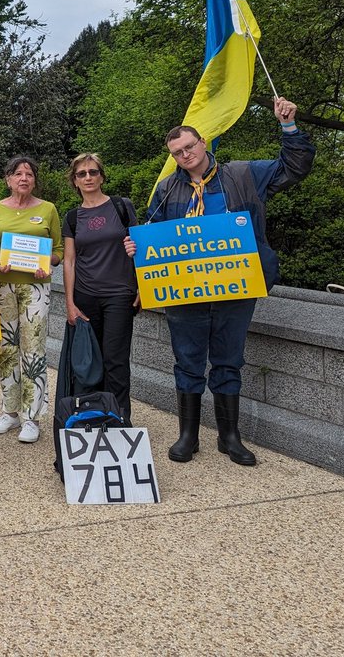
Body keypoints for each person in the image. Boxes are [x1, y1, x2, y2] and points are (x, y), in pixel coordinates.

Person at [133, 97, 315, 466]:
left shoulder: (244, 174)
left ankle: (230, 436)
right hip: (185, 292)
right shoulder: (167, 188)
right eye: (177, 152)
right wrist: (134, 245)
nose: (185, 155)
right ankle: (189, 435)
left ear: (203, 143)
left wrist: (289, 127)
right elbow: (152, 232)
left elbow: (294, 167)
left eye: (189, 147)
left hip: (236, 287)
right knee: (187, 362)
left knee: (229, 361)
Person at [0, 156, 63, 443]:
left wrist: (48, 261)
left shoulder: (48, 209)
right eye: (18, 174)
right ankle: (10, 411)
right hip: (2, 286)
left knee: (33, 349)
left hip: (36, 287)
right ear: (8, 179)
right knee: (6, 348)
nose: (24, 178)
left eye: (29, 174)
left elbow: (59, 249)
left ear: (34, 180)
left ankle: (32, 416)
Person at [62, 153, 138, 422]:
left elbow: (140, 247)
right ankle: (92, 414)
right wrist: (70, 304)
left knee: (116, 361)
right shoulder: (72, 217)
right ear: (75, 181)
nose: (88, 177)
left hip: (120, 294)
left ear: (102, 176)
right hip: (86, 296)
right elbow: (69, 262)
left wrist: (143, 286)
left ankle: (119, 417)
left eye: (93, 172)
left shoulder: (121, 206)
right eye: (81, 174)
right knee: (89, 362)